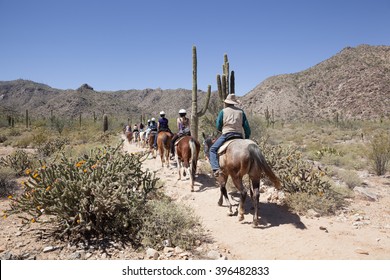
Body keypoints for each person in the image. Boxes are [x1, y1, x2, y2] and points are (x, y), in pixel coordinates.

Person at [209, 93, 251, 177]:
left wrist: (222, 130)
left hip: (227, 135)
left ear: (226, 103)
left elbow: (218, 125)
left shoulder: (223, 112)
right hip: (239, 135)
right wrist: (246, 138)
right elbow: (247, 128)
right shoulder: (241, 112)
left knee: (212, 149)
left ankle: (216, 169)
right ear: (234, 102)